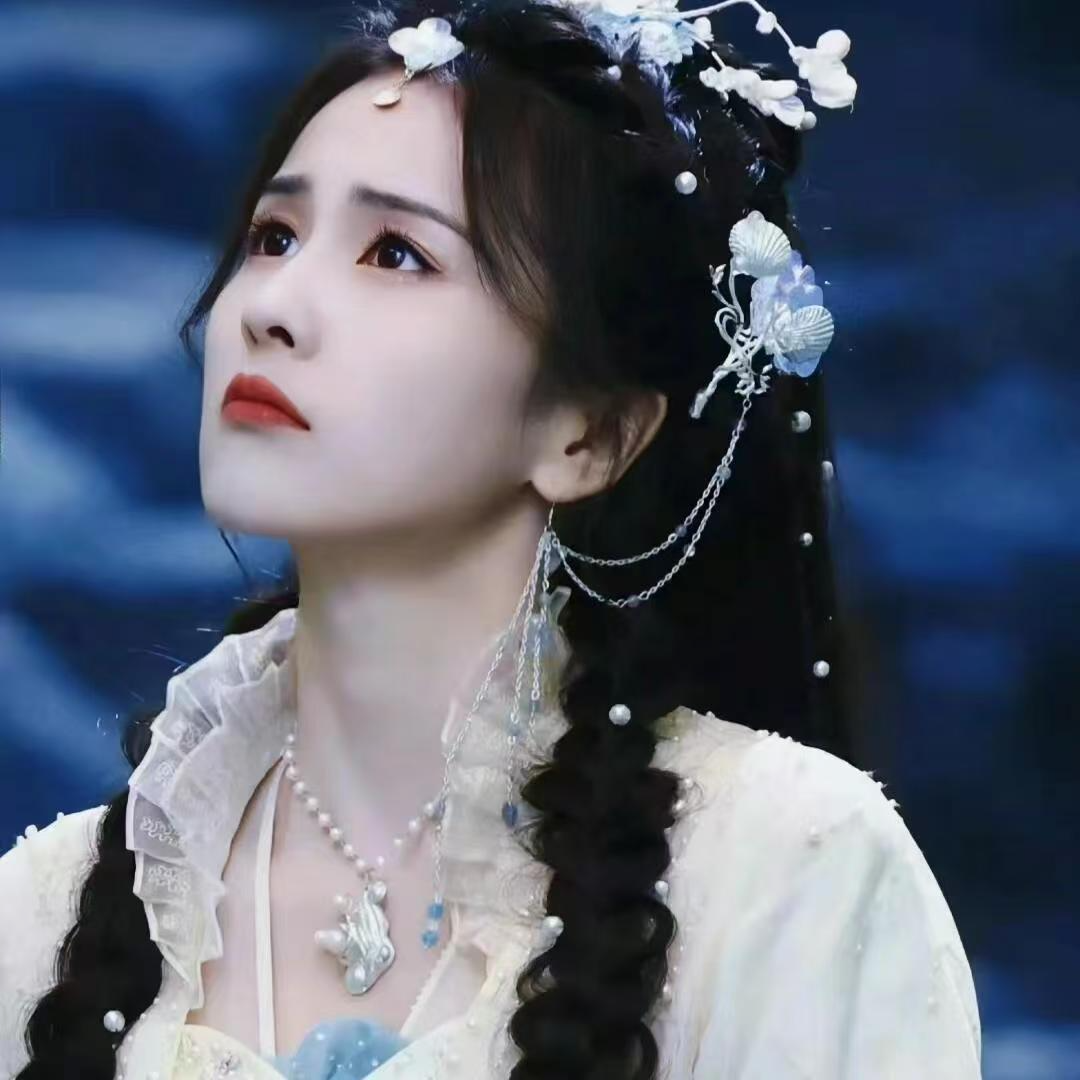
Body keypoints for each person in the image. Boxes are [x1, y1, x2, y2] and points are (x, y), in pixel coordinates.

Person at [0, 0, 983, 1077]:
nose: (272, 305)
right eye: (273, 236)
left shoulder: (785, 873)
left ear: (589, 435)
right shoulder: (41, 917)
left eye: (395, 253)